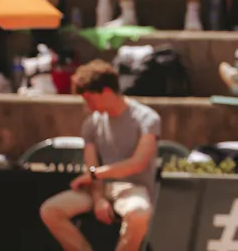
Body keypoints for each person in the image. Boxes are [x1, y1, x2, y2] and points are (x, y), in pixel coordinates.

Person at [39, 60, 160, 251]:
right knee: (50, 210)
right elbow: (92, 164)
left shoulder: (147, 119)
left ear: (107, 92)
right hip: (98, 188)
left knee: (139, 213)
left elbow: (137, 163)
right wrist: (98, 197)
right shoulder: (91, 123)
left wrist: (94, 175)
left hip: (133, 187)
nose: (88, 106)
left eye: (90, 99)